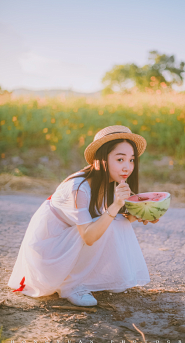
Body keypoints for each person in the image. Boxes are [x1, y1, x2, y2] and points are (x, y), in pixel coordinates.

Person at [8, 125, 159, 306]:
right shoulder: (79, 188)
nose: (127, 167)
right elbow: (88, 237)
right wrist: (117, 204)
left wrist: (142, 214)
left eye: (132, 160)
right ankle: (71, 285)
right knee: (110, 222)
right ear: (101, 159)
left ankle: (87, 278)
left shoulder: (110, 182)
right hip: (49, 253)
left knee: (119, 222)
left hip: (66, 243)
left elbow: (118, 220)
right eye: (120, 159)